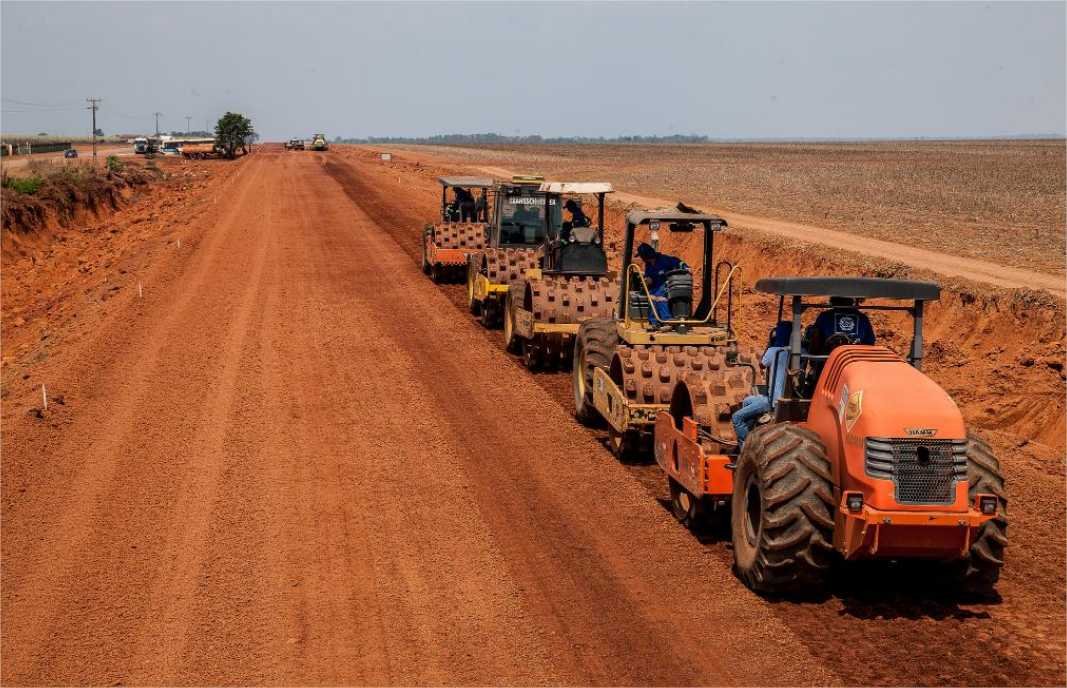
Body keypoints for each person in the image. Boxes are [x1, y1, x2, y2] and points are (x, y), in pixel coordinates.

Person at [732, 321, 793, 450]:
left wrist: (769, 345)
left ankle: (747, 448)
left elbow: (762, 364)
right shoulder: (800, 352)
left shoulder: (774, 351)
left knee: (737, 417)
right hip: (789, 400)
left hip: (772, 401)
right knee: (748, 401)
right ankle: (753, 434)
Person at [636, 242, 688, 329]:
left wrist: (686, 267)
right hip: (655, 287)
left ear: (645, 256)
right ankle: (654, 323)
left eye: (641, 256)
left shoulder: (664, 260)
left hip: (667, 285)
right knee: (651, 296)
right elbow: (649, 278)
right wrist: (647, 280)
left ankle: (667, 321)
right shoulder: (648, 265)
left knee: (659, 296)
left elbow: (678, 262)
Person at [809, 296, 875, 355]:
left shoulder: (824, 316)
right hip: (856, 359)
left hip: (829, 359)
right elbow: (870, 343)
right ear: (851, 300)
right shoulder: (863, 318)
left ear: (833, 300)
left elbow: (815, 343)